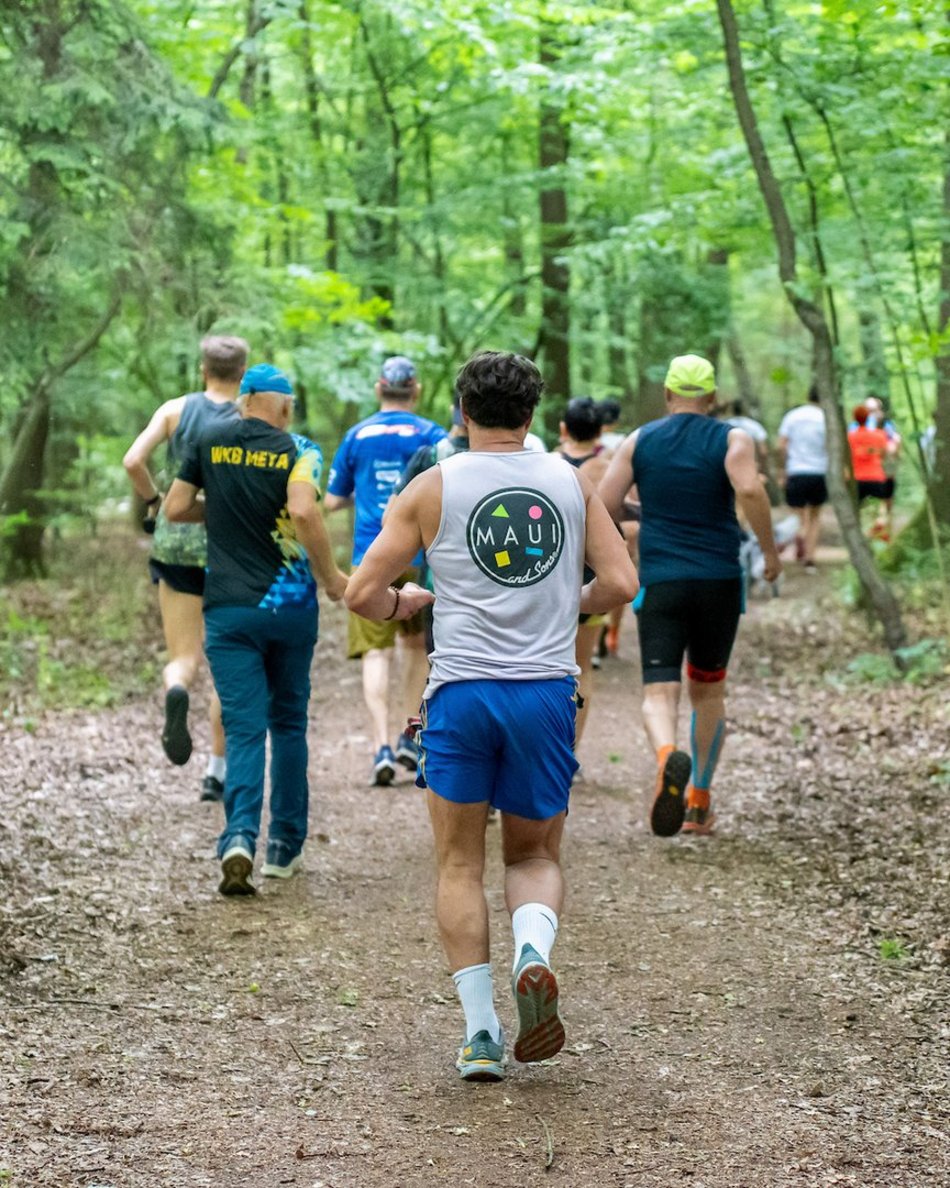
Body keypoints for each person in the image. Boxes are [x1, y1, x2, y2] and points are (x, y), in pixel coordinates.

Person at [345, 350, 638, 1082]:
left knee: (457, 862)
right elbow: (623, 582)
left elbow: (360, 594)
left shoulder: (432, 487)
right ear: (533, 415)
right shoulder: (569, 482)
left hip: (462, 693)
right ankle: (532, 951)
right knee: (534, 854)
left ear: (462, 412)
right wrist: (557, 602)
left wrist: (402, 602)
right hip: (544, 693)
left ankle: (480, 1033)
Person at [164, 364, 349, 896]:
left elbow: (175, 507)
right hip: (290, 608)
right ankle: (283, 849)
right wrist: (331, 578)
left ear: (243, 401)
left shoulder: (207, 436)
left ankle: (239, 836)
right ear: (284, 407)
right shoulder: (300, 448)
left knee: (244, 727)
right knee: (288, 723)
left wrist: (220, 509)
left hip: (228, 610)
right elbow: (303, 510)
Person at [599, 354, 781, 838]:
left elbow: (606, 502)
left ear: (667, 394)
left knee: (660, 690)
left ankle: (666, 757)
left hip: (662, 580)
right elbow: (749, 490)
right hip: (719, 580)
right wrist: (769, 550)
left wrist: (647, 510)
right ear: (713, 397)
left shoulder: (640, 441)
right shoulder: (732, 438)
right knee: (708, 688)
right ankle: (699, 799)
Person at [123, 335, 248, 801]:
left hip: (174, 545)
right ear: (242, 372)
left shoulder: (176, 409)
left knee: (184, 658)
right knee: (226, 665)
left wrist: (156, 500)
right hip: (231, 548)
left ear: (202, 369)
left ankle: (176, 688)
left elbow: (133, 459)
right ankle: (216, 771)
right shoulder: (248, 414)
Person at [324, 357, 447, 786]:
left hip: (369, 556)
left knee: (375, 653)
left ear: (380, 388)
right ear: (415, 390)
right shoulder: (433, 435)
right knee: (415, 648)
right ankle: (407, 737)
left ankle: (379, 746)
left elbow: (333, 499)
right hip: (417, 555)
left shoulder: (357, 435)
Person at [554, 397, 611, 753]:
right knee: (581, 666)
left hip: (552, 573)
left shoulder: (547, 463)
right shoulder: (607, 468)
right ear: (600, 431)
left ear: (563, 428)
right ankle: (570, 751)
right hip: (590, 573)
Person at [777, 384, 827, 573]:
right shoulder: (825, 418)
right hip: (819, 471)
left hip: (796, 471)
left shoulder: (793, 416)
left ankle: (799, 534)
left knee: (799, 517)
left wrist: (783, 468)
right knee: (815, 517)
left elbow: (781, 445)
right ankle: (809, 558)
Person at [848, 405, 895, 538]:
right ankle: (877, 534)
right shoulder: (880, 435)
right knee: (879, 509)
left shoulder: (850, 437)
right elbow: (885, 454)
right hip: (876, 477)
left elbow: (846, 457)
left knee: (856, 510)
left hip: (857, 478)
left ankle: (859, 535)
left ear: (854, 418)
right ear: (868, 417)